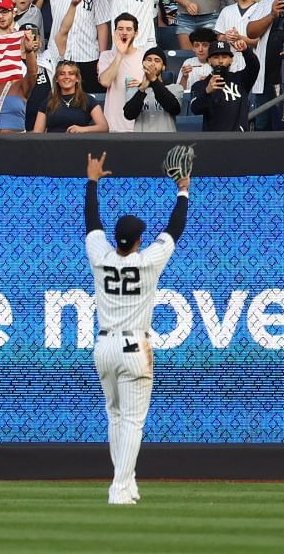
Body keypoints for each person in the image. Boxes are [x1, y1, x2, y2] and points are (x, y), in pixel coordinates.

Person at [82, 150, 189, 507]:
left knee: (114, 416)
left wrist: (92, 182)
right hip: (133, 348)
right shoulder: (147, 262)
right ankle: (119, 488)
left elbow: (91, 222)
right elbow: (174, 230)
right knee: (132, 421)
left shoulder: (101, 255)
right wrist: (183, 190)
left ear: (117, 239)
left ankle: (126, 485)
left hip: (104, 346)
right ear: (139, 240)